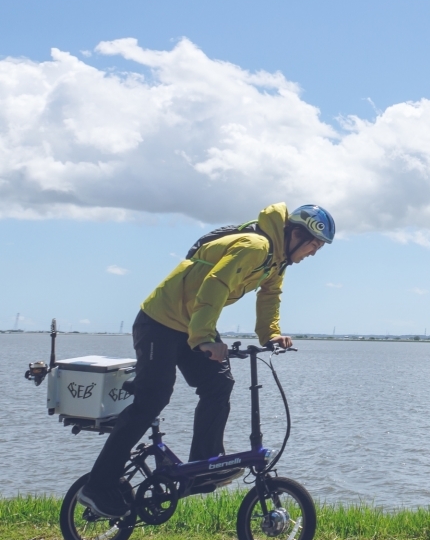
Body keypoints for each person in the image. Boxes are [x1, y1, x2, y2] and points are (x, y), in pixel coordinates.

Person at [76, 203, 336, 518]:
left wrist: (270, 335)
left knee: (218, 383)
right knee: (153, 397)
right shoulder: (255, 246)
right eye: (314, 244)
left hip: (192, 323)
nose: (314, 253)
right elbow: (215, 285)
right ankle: (98, 485)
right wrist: (203, 339)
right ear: (295, 234)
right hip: (159, 322)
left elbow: (270, 296)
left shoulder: (276, 261)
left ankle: (204, 465)